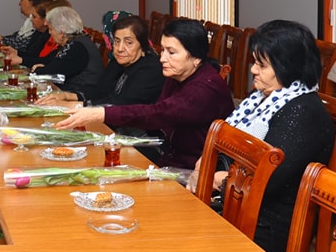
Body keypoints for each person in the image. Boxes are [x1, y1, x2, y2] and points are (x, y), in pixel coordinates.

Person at [190, 19, 335, 252]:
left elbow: (267, 181)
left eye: (262, 65)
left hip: (267, 224)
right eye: (254, 62)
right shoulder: (263, 98)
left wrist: (211, 179)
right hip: (237, 204)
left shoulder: (302, 112)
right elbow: (227, 141)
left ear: (288, 67)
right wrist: (203, 164)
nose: (253, 70)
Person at [54, 18, 234, 168]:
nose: (163, 58)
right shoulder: (177, 73)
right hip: (167, 155)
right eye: (163, 50)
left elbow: (159, 113)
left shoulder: (204, 88)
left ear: (196, 58)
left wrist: (101, 112)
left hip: (194, 169)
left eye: (171, 52)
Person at [39, 15, 163, 106]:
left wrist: (71, 106)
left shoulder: (151, 69)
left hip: (138, 134)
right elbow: (100, 91)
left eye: (128, 43)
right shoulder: (117, 62)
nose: (120, 49)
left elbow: (122, 105)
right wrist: (66, 96)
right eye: (117, 41)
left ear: (142, 45)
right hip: (109, 122)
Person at [2, 5, 103, 98]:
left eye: (51, 29)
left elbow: (51, 71)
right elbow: (50, 61)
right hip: (68, 93)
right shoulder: (75, 41)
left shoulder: (77, 47)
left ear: (62, 31)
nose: (49, 33)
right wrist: (21, 56)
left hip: (79, 99)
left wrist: (39, 69)